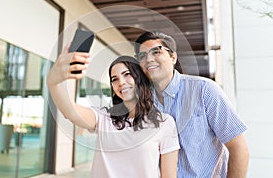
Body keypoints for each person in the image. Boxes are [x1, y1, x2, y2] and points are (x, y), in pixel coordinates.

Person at [47, 45, 180, 178]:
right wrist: (54, 83)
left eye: (127, 74)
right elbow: (70, 111)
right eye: (114, 79)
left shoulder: (164, 123)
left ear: (139, 78)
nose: (121, 83)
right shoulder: (104, 118)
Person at [134, 31, 250, 178]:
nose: (149, 59)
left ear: (173, 57)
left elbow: (238, 148)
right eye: (142, 56)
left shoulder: (204, 90)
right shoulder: (143, 103)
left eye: (156, 52)